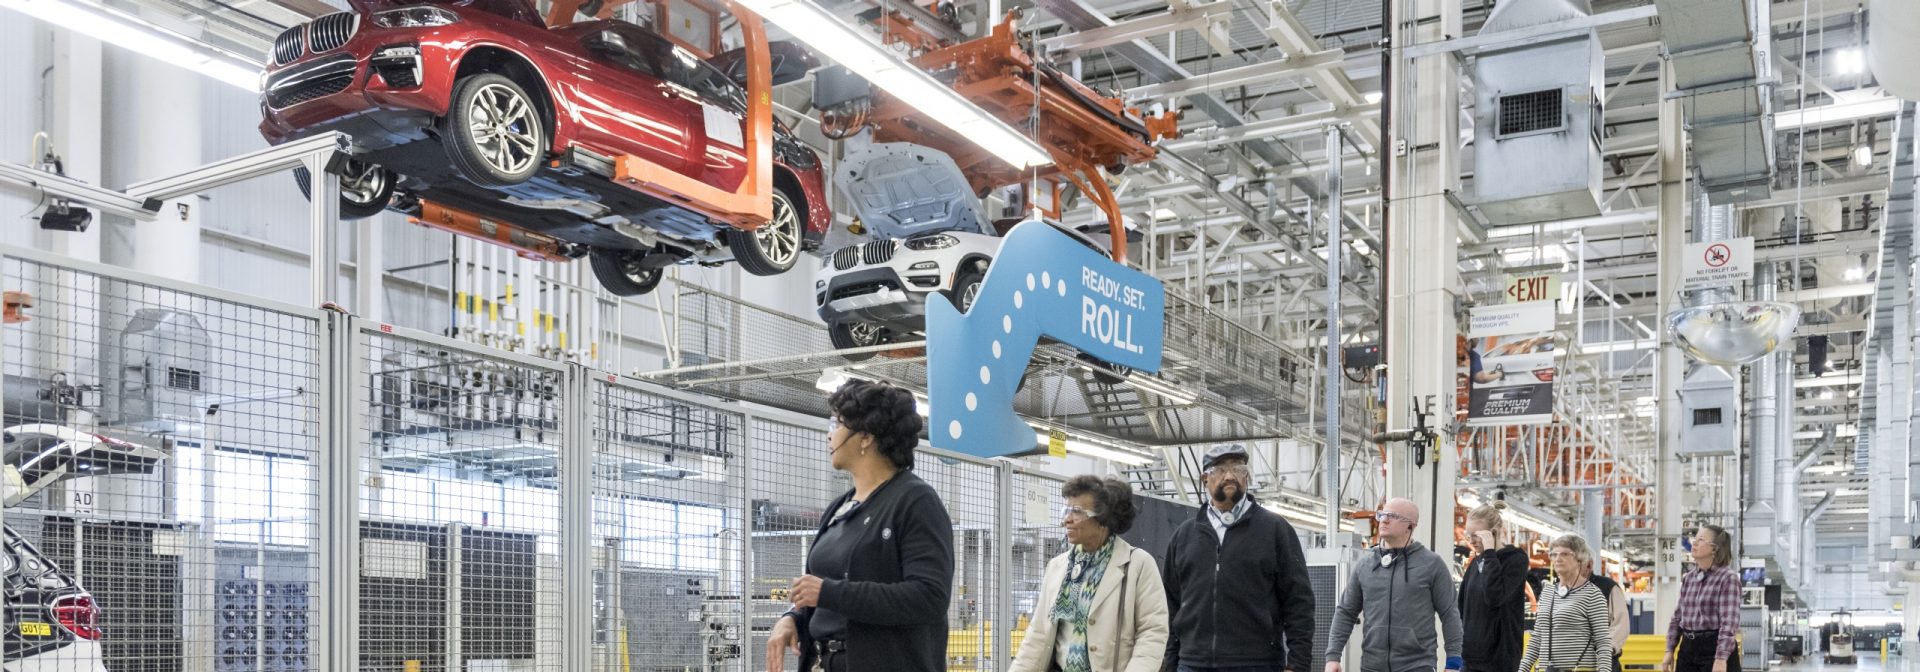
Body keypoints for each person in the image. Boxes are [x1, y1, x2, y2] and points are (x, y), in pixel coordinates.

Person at [764, 380, 955, 672]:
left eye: (837, 424)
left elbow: (929, 597)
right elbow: (820, 592)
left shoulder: (916, 501)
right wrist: (793, 617)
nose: (829, 436)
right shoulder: (839, 507)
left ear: (865, 437)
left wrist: (830, 593)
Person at [1162, 444, 1315, 672]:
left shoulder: (1275, 530)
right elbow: (1170, 606)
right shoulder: (1184, 536)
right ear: (1205, 479)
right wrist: (1170, 664)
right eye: (1220, 469)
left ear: (1248, 476)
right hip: (1192, 664)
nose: (1230, 476)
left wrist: (1298, 665)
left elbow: (1299, 602)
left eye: (1238, 468)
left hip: (1257, 664)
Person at [1012, 476, 1169, 672]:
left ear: (1103, 518)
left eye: (1077, 511)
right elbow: (1038, 634)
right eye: (1066, 510)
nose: (1067, 519)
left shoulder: (1137, 565)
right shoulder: (1057, 567)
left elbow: (1152, 632)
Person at [1324, 498, 1464, 672]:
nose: (1384, 520)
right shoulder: (1365, 565)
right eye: (1382, 514)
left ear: (1410, 526)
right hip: (1372, 666)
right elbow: (1345, 611)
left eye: (1393, 516)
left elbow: (1449, 614)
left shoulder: (1431, 565)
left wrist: (1453, 662)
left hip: (1417, 666)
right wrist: (1333, 656)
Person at [1516, 535, 1614, 672]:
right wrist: (1522, 669)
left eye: (1565, 554)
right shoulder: (1548, 592)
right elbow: (1537, 638)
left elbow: (1602, 642)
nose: (1557, 559)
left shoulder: (1592, 594)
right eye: (1554, 554)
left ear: (1580, 559)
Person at [1459, 502, 1530, 672]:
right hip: (1471, 657)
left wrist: (1490, 553)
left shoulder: (1516, 560)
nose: (1471, 540)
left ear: (1494, 533)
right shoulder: (1477, 563)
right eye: (1468, 534)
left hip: (1499, 659)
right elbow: (1462, 605)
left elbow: (1494, 596)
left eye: (1477, 535)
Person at [1661, 525, 1741, 672]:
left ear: (1714, 548)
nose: (1694, 543)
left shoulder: (1727, 578)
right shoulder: (1689, 579)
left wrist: (1721, 659)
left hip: (1713, 648)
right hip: (1688, 649)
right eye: (1695, 539)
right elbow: (1677, 617)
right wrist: (1669, 649)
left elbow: (1728, 623)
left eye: (1701, 540)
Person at [1587, 568, 1629, 672]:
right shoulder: (1560, 588)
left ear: (1589, 564)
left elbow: (1620, 623)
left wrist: (1605, 650)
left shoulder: (1607, 586)